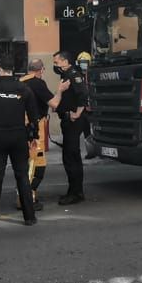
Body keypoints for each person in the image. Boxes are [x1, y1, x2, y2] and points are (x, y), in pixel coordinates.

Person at [0, 58, 41, 227]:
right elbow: (34, 116)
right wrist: (33, 135)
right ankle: (29, 217)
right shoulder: (24, 89)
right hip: (19, 136)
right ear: (13, 70)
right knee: (22, 176)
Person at [54, 51, 89, 205]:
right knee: (70, 157)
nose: (55, 65)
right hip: (68, 120)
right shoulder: (66, 74)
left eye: (57, 62)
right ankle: (73, 190)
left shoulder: (73, 74)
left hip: (73, 121)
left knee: (71, 157)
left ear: (65, 61)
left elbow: (83, 94)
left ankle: (76, 193)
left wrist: (77, 113)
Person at [21, 57, 54, 209]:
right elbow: (53, 103)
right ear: (41, 70)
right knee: (37, 163)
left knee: (26, 162)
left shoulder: (19, 82)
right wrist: (60, 91)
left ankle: (24, 196)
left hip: (20, 127)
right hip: (35, 128)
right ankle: (28, 198)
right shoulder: (38, 83)